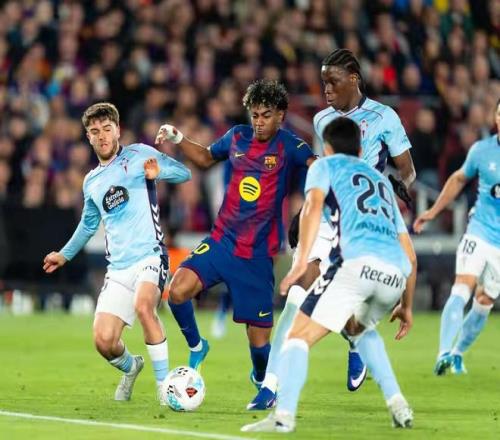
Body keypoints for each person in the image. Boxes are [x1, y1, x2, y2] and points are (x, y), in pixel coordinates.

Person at [250, 48, 416, 409]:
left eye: (333, 82)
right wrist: (304, 211)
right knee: (297, 296)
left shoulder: (384, 117)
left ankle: (355, 339)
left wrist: (399, 186)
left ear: (354, 79)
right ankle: (270, 387)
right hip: (326, 220)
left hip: (359, 226)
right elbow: (321, 168)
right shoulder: (322, 119)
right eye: (323, 82)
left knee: (346, 311)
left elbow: (407, 168)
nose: (325, 89)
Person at [155, 79, 316, 405]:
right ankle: (198, 346)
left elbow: (320, 170)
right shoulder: (237, 137)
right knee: (177, 290)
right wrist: (178, 138)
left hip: (258, 255)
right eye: (255, 115)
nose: (259, 122)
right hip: (222, 241)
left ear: (281, 115)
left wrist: (309, 208)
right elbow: (205, 158)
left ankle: (261, 377)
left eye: (266, 115)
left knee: (259, 345)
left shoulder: (291, 146)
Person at [43, 102, 194, 404]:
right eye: (94, 131)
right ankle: (132, 367)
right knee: (104, 341)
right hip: (119, 269)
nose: (101, 136)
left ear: (118, 130)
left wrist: (159, 171)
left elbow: (184, 173)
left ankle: (164, 388)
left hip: (150, 255)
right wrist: (64, 254)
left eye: (106, 129)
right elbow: (88, 225)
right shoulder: (91, 181)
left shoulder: (139, 154)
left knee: (144, 307)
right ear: (88, 137)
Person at [413, 98, 500, 375]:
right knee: (462, 286)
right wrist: (433, 211)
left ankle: (458, 352)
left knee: (484, 301)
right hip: (479, 232)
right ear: (496, 118)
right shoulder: (482, 150)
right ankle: (442, 352)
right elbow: (459, 179)